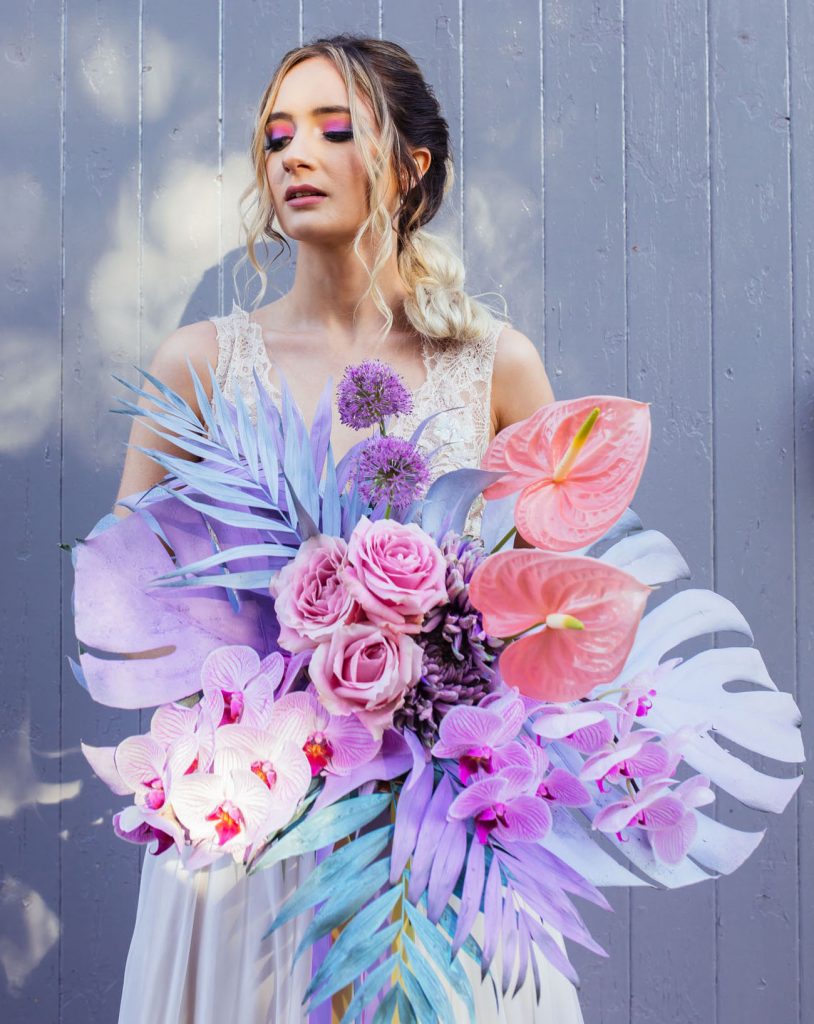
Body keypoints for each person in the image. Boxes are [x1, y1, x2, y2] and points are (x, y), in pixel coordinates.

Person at [114, 33, 584, 1024]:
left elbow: (558, 621)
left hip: (430, 839)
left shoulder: (496, 366)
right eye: (277, 135)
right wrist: (255, 679)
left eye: (334, 130)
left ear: (411, 167)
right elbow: (127, 596)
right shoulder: (200, 363)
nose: (294, 155)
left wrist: (441, 678)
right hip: (254, 833)